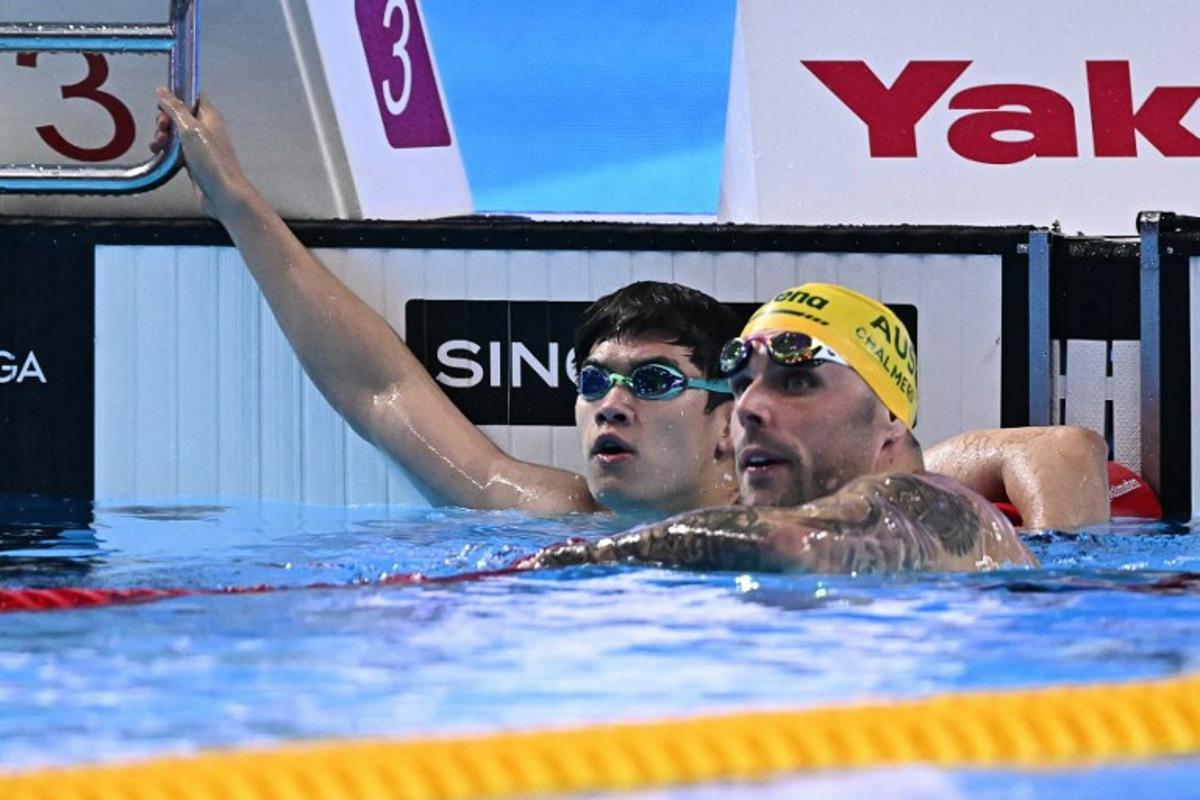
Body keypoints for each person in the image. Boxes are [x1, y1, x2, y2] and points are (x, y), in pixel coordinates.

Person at [153, 92, 1107, 531]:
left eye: (651, 383)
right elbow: (380, 389)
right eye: (596, 385)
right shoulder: (551, 512)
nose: (611, 406)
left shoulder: (850, 485)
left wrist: (1052, 579)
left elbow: (1059, 451)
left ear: (724, 427)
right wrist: (235, 198)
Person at [527, 284, 1040, 573]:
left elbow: (796, 543)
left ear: (889, 422)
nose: (748, 409)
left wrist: (580, 562)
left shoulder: (933, 506)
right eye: (743, 383)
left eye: (795, 383)